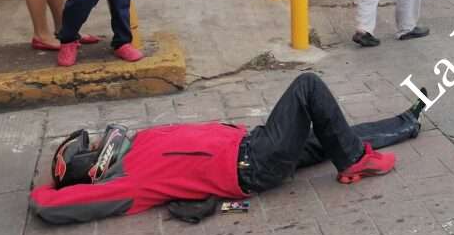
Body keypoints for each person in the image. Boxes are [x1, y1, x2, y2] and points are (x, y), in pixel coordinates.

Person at [29, 72, 426, 224]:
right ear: (93, 165)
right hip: (254, 163)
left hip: (255, 146)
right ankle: (357, 162)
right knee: (309, 86)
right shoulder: (129, 183)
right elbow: (49, 205)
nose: (101, 140)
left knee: (336, 131)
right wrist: (55, 187)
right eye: (94, 146)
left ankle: (405, 123)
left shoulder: (137, 143)